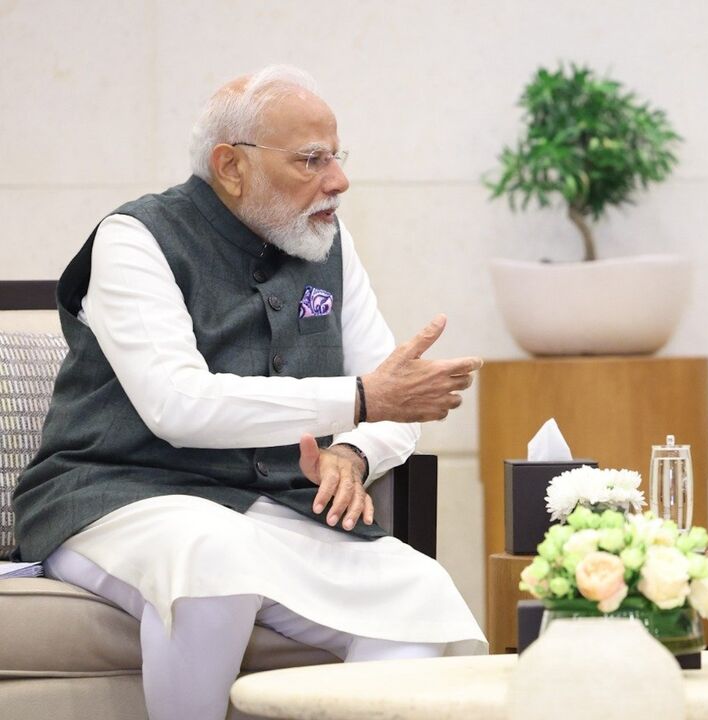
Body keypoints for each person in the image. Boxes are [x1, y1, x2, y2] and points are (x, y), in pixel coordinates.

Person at [12, 65, 486, 720]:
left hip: (260, 508)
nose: (338, 181)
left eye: (337, 157)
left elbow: (389, 395)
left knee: (419, 596)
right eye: (311, 160)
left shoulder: (326, 240)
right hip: (114, 497)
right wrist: (361, 402)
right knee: (215, 553)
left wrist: (352, 453)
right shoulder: (137, 239)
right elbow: (179, 404)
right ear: (230, 166)